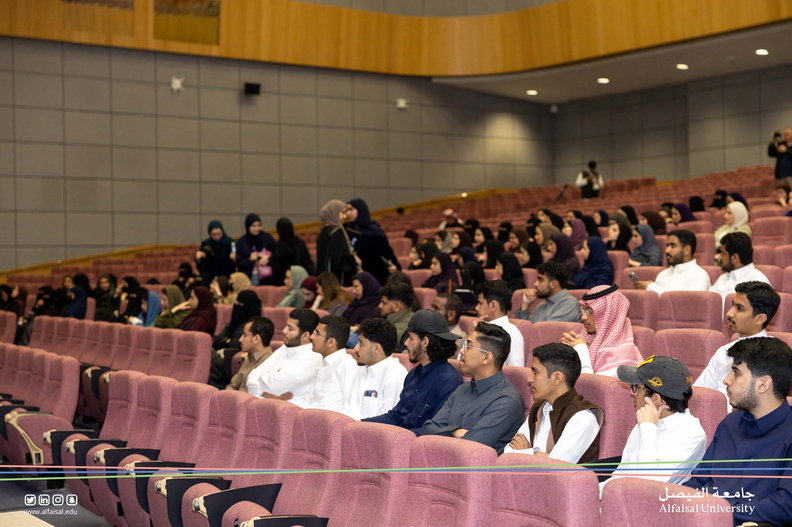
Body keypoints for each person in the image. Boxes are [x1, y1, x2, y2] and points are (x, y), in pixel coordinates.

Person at [684, 337, 792, 526]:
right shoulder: (730, 423)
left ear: (763, 384)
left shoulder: (788, 435)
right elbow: (698, 482)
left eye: (736, 372)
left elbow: (785, 506)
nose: (726, 380)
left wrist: (718, 511)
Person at [599, 355, 706, 491]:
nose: (632, 393)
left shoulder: (691, 435)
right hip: (619, 497)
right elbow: (621, 474)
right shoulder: (647, 417)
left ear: (655, 399)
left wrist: (648, 428)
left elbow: (649, 487)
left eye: (636, 387)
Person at [422, 322, 524, 454]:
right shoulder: (462, 389)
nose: (461, 351)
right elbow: (427, 429)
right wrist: (455, 431)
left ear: (486, 357)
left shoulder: (507, 400)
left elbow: (471, 448)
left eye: (468, 346)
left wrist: (445, 432)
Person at [365, 309, 463, 434]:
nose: (405, 343)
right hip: (400, 441)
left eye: (410, 338)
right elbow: (395, 417)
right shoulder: (414, 373)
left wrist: (397, 436)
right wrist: (359, 423)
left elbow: (438, 430)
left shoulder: (449, 380)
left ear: (425, 342)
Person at [504, 343, 603, 463]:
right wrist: (539, 455)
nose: (529, 379)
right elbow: (509, 451)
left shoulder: (583, 417)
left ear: (557, 378)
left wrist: (527, 452)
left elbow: (556, 465)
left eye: (535, 372)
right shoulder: (538, 408)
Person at [695, 281, 779, 407]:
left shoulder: (774, 356)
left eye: (739, 309)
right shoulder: (724, 351)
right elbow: (699, 392)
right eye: (733, 306)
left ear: (760, 319)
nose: (729, 313)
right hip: (712, 415)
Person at [560, 284, 643, 377]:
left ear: (608, 314)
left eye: (590, 311)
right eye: (584, 310)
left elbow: (590, 389)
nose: (583, 317)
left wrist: (581, 349)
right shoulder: (590, 342)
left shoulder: (624, 356)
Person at [246, 309, 323, 405]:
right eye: (286, 326)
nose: (284, 331)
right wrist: (267, 393)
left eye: (290, 329)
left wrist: (261, 388)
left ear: (305, 335)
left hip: (292, 412)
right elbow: (251, 377)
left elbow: (274, 386)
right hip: (267, 406)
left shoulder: (313, 357)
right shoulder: (285, 347)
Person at [347, 318, 408, 419]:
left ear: (376, 348)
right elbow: (348, 408)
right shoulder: (361, 369)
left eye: (361, 343)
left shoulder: (396, 374)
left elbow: (387, 420)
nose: (355, 348)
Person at [302, 316, 360, 411]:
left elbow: (349, 407)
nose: (312, 337)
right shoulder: (322, 362)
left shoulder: (348, 366)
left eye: (317, 333)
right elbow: (310, 398)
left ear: (331, 342)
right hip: (311, 419)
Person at [633, 230, 711, 295]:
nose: (667, 250)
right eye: (667, 245)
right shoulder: (663, 274)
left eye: (673, 246)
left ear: (687, 250)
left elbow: (686, 305)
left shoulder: (699, 275)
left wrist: (652, 287)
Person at [343, 198, 400, 285]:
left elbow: (387, 255)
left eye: (351, 209)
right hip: (354, 278)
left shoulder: (374, 232)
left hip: (375, 278)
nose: (348, 213)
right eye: (346, 210)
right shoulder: (348, 230)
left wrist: (395, 266)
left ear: (360, 210)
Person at [474, 280, 524, 367]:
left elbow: (516, 371)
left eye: (481, 303)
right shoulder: (478, 327)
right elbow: (462, 363)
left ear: (493, 305)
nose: (476, 308)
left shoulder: (511, 332)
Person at [709, 233, 770, 302]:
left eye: (723, 253)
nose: (720, 257)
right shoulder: (723, 277)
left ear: (735, 258)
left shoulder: (758, 281)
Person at [515, 262, 580, 323]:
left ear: (553, 284)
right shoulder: (541, 306)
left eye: (540, 280)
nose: (535, 284)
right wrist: (525, 304)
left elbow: (548, 331)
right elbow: (524, 329)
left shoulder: (569, 304)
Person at [225, 317, 275, 393]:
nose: (240, 339)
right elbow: (233, 385)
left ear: (256, 339)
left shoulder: (270, 363)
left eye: (245, 335)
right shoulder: (250, 357)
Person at [316, 199, 356, 287]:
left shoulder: (323, 232)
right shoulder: (336, 233)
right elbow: (340, 261)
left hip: (325, 281)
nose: (344, 217)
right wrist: (353, 260)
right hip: (336, 282)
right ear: (333, 213)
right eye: (342, 212)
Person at [235, 213, 277, 285]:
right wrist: (249, 260)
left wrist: (268, 259)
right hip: (249, 277)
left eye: (259, 225)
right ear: (248, 227)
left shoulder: (267, 238)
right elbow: (238, 262)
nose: (257, 228)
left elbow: (277, 254)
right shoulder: (242, 242)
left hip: (266, 277)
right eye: (254, 226)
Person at [271, 217, 315, 286]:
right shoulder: (300, 242)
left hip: (285, 281)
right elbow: (308, 259)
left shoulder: (278, 246)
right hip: (302, 278)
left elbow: (277, 269)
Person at [379, 282, 415, 351]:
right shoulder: (412, 317)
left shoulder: (398, 331)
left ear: (397, 306)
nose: (380, 306)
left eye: (384, 303)